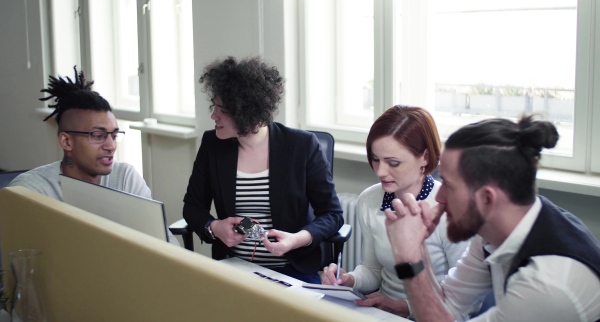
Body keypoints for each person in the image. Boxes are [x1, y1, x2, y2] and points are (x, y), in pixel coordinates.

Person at [384, 115, 600, 321]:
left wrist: (408, 261)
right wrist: (418, 248)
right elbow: (449, 306)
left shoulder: (547, 285)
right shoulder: (493, 231)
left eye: (448, 186)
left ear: (487, 198)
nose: (439, 198)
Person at [182, 56, 344, 283]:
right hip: (233, 269)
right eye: (214, 106)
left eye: (222, 109)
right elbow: (192, 207)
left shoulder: (302, 146)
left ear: (246, 111)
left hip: (292, 270)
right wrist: (215, 227)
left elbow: (332, 214)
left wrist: (297, 239)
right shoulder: (213, 145)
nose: (213, 116)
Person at [321, 105, 469, 318]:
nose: (380, 171)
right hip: (382, 313)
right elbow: (372, 270)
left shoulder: (449, 210)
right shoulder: (369, 200)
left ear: (425, 158)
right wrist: (348, 280)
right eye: (375, 159)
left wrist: (405, 307)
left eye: (393, 163)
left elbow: (462, 301)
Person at [9, 67, 180, 246]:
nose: (111, 146)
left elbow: (168, 246)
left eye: (113, 135)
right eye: (98, 136)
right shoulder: (31, 191)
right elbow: (23, 261)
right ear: (67, 142)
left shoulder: (125, 179)